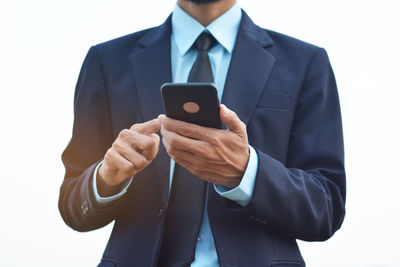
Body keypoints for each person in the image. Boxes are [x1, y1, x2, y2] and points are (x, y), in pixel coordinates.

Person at [58, 0, 346, 266]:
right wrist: (107, 177)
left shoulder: (305, 63)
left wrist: (246, 172)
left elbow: (326, 207)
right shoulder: (106, 61)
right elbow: (73, 207)